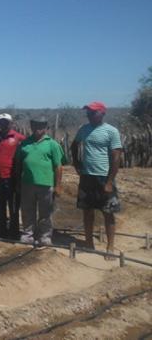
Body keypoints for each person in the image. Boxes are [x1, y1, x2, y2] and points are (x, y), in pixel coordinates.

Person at [71, 101, 122, 258]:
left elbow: (116, 157)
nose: (89, 115)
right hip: (87, 176)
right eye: (88, 113)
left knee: (108, 212)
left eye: (93, 112)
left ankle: (110, 247)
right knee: (87, 211)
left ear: (102, 113)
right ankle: (89, 244)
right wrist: (77, 164)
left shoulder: (111, 131)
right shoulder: (84, 129)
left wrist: (109, 181)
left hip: (104, 177)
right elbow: (74, 146)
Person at [15, 117, 64, 246]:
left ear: (46, 127)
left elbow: (58, 166)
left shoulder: (52, 144)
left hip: (46, 184)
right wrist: (18, 182)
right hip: (27, 183)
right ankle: (28, 234)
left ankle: (45, 236)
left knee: (45, 212)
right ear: (31, 126)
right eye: (35, 125)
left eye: (41, 126)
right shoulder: (25, 144)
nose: (38, 128)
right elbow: (18, 164)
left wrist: (58, 186)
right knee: (27, 210)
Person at [0, 113, 26, 239]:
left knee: (14, 206)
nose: (3, 124)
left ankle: (14, 232)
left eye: (6, 122)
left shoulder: (19, 138)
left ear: (11, 123)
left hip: (13, 179)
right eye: (1, 122)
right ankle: (1, 232)